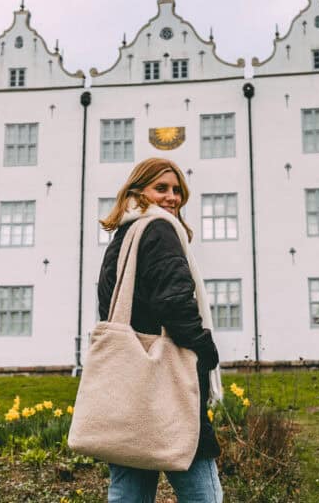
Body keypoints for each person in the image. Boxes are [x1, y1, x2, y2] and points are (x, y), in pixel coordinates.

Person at [98, 157, 224, 502]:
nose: (172, 197)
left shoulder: (123, 236)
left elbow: (110, 306)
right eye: (162, 188)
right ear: (139, 191)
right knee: (202, 492)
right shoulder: (159, 230)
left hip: (129, 387)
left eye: (177, 190)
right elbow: (175, 302)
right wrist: (205, 350)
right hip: (167, 382)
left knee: (128, 491)